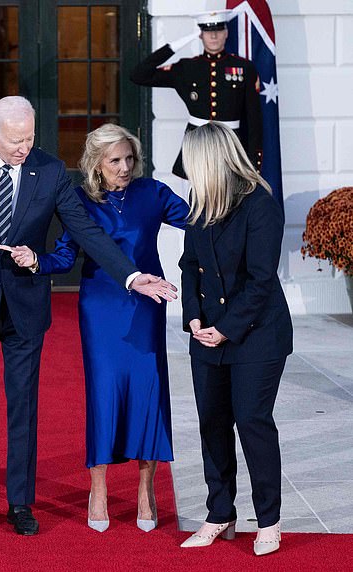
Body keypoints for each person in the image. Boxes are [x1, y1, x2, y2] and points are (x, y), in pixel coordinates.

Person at [0, 96, 178, 537]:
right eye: (15, 140)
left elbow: (87, 233)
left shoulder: (48, 171)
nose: (24, 147)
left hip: (25, 306)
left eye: (29, 138)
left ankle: (20, 504)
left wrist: (133, 276)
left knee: (23, 407)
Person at [10, 124, 189, 533]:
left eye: (129, 158)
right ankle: (98, 488)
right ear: (95, 164)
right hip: (101, 308)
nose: (124, 167)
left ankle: (146, 490)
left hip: (146, 305)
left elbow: (200, 223)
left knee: (148, 390)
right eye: (114, 160)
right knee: (105, 392)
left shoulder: (153, 193)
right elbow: (63, 257)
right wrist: (35, 261)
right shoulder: (79, 201)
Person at [178, 122, 292, 556]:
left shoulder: (259, 205)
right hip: (205, 334)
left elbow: (262, 281)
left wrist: (224, 328)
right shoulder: (200, 200)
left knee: (251, 421)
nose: (187, 169)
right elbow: (189, 265)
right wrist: (193, 319)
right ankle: (219, 512)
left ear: (209, 160)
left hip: (255, 335)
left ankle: (269, 521)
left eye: (191, 161)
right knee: (212, 424)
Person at [130, 10, 262, 179]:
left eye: (219, 30)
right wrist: (174, 46)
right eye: (207, 31)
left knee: (231, 199)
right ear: (200, 35)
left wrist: (252, 161)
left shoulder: (244, 68)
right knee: (193, 198)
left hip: (232, 146)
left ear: (226, 33)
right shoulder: (186, 68)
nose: (213, 36)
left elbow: (254, 119)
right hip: (196, 146)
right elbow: (138, 75)